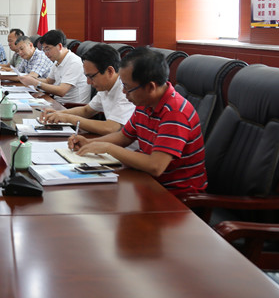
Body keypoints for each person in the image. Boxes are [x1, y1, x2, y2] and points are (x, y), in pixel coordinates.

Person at [68, 47, 207, 195]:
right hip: (146, 181)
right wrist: (90, 143)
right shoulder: (145, 103)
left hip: (174, 194)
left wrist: (108, 148)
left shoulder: (175, 112)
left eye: (127, 87)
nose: (123, 92)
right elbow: (124, 136)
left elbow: (156, 166)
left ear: (150, 87)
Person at [40, 43, 135, 135]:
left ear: (110, 71)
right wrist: (58, 114)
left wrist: (69, 118)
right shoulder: (105, 87)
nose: (88, 82)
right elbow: (86, 110)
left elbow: (110, 128)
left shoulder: (126, 90)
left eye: (91, 77)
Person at [19, 30, 90, 105]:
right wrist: (30, 79)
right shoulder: (57, 61)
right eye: (44, 50)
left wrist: (36, 83)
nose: (46, 54)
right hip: (58, 102)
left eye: (48, 49)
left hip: (71, 106)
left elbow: (62, 91)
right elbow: (49, 81)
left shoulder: (74, 62)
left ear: (59, 46)